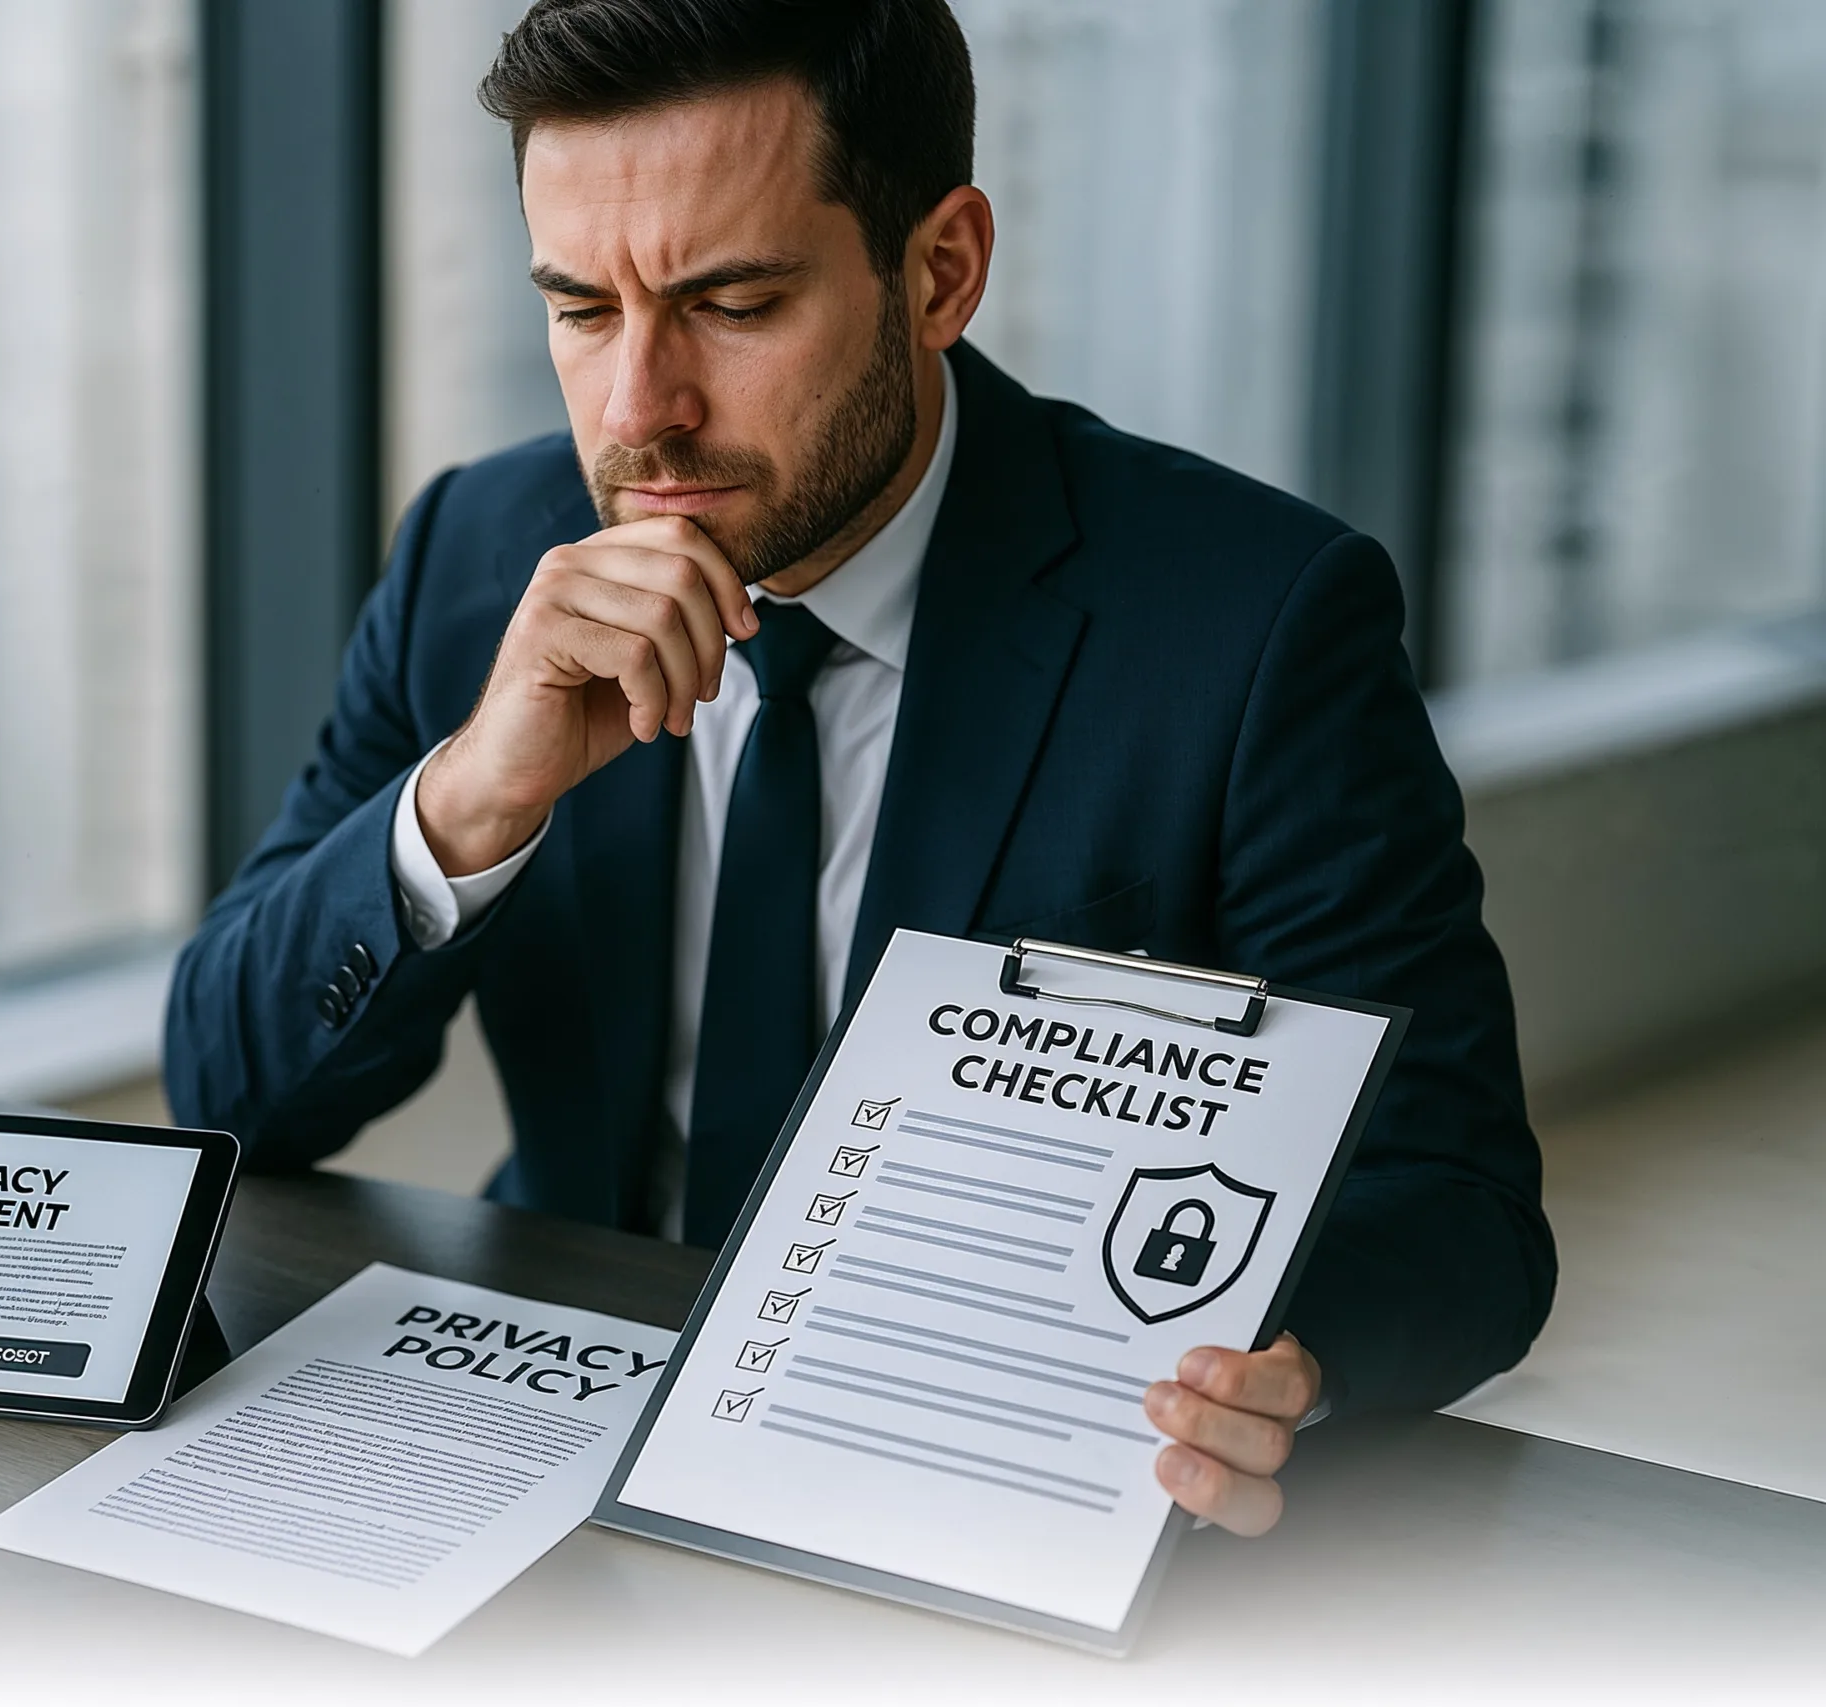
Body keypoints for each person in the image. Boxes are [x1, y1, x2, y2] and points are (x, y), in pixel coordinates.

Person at [165, 0, 1554, 1537]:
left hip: (1000, 1458)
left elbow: (1460, 1205)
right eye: (580, 309)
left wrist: (1290, 1364)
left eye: (735, 303)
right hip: (560, 1413)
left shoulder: (1251, 622)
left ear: (940, 269)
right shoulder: (480, 556)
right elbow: (226, 1089)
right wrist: (473, 796)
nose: (638, 411)